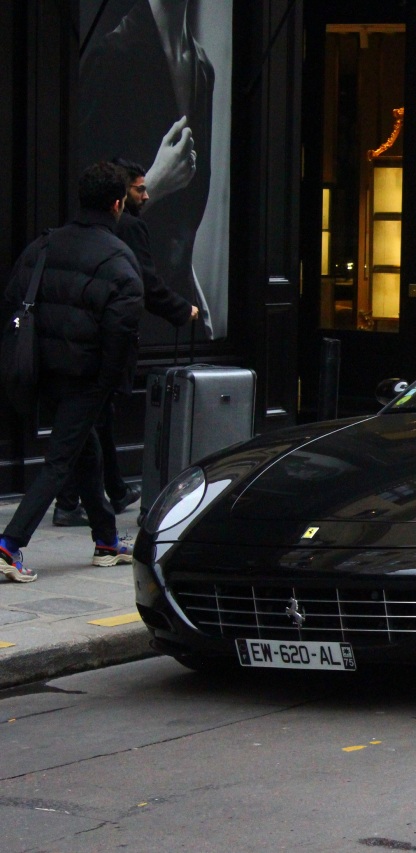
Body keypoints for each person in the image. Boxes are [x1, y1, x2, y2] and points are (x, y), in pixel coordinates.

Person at [0, 162, 144, 583]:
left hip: (43, 369)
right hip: (88, 376)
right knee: (61, 458)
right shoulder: (119, 258)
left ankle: (105, 540)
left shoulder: (44, 245)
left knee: (86, 449)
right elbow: (122, 328)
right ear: (118, 204)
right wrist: (113, 384)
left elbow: (13, 298)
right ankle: (10, 544)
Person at [52, 158, 199, 527]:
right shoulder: (127, 230)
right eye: (138, 189)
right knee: (90, 424)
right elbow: (143, 285)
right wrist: (182, 311)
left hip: (74, 340)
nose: (146, 196)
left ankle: (107, 494)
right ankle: (72, 504)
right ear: (119, 198)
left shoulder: (71, 234)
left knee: (93, 423)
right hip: (102, 342)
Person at [78, 0, 215, 340]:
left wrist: (195, 295)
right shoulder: (112, 56)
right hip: (119, 299)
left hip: (176, 307)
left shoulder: (202, 68)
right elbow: (85, 213)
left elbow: (180, 222)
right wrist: (153, 184)